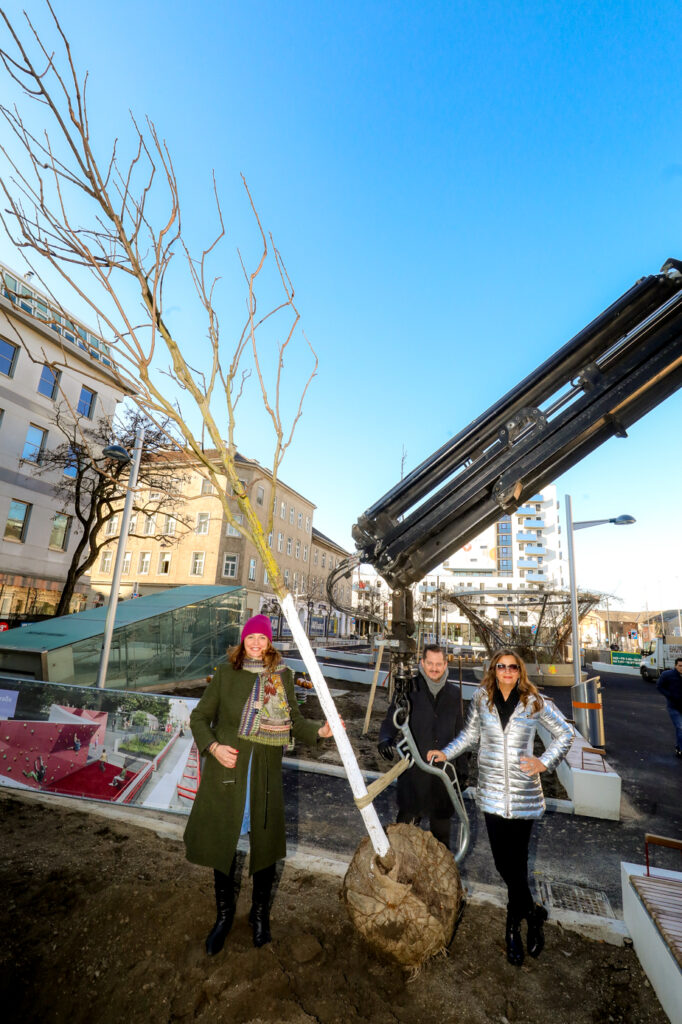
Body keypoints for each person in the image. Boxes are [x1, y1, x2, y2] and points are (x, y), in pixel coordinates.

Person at [184, 614, 337, 956]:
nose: (255, 643)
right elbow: (198, 717)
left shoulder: (281, 678)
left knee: (265, 848)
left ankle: (259, 916)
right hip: (228, 774)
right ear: (243, 641)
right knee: (223, 847)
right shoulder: (225, 675)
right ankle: (223, 917)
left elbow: (295, 722)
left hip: (265, 776)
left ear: (270, 643)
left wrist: (320, 731)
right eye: (250, 637)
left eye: (262, 638)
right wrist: (214, 747)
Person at [428, 649, 572, 967]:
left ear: (519, 671)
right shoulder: (482, 699)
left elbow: (565, 733)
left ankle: (512, 929)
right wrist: (445, 753)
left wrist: (544, 762)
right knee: (503, 864)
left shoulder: (534, 702)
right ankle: (532, 914)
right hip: (492, 795)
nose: (507, 671)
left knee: (516, 864)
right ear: (493, 670)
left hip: (523, 797)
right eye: (501, 666)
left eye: (512, 667)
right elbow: (469, 735)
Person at [377, 643, 467, 850]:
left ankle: (438, 877)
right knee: (403, 832)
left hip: (443, 775)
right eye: (430, 664)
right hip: (414, 772)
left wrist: (462, 769)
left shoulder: (454, 694)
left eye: (439, 664)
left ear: (445, 665)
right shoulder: (410, 688)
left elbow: (459, 732)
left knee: (441, 837)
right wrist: (385, 738)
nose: (434, 668)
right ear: (422, 663)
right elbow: (394, 716)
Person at [656, 656, 682, 758]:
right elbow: (659, 686)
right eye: (680, 666)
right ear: (675, 666)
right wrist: (669, 695)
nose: (681, 668)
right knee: (680, 728)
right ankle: (680, 749)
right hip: (674, 707)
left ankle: (679, 745)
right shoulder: (668, 675)